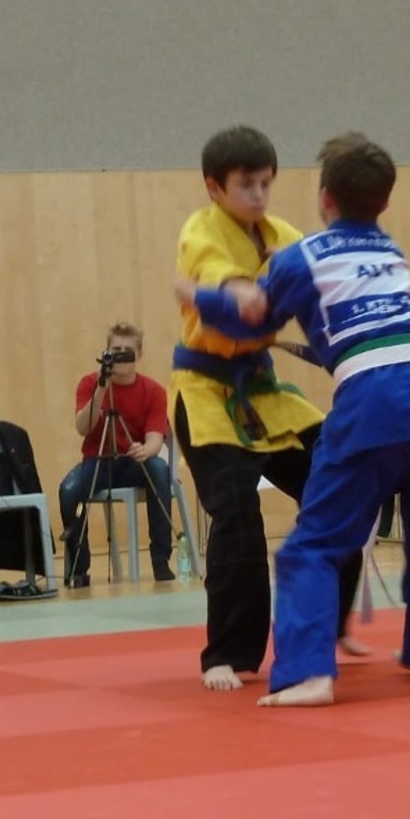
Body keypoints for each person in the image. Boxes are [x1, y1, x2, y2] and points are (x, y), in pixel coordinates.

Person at [187, 134, 410, 707]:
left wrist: (199, 296)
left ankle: (309, 673)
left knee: (310, 545)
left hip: (372, 401)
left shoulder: (302, 255)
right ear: (384, 202)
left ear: (324, 198)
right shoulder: (390, 251)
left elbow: (251, 317)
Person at [172, 123, 361, 691]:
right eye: (245, 185)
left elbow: (321, 270)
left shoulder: (281, 234)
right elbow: (222, 281)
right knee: (236, 513)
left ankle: (327, 624)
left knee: (342, 483)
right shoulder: (201, 231)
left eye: (265, 184)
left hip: (263, 391)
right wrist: (242, 292)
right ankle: (228, 653)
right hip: (206, 393)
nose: (258, 196)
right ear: (214, 187)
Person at [59, 323, 176, 588]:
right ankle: (79, 567)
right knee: (69, 490)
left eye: (127, 351)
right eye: (116, 350)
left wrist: (145, 450)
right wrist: (102, 387)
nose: (121, 356)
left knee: (159, 470)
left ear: (139, 354)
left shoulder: (153, 391)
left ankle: (160, 559)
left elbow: (156, 437)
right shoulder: (89, 384)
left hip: (135, 461)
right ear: (106, 352)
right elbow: (82, 428)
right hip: (99, 461)